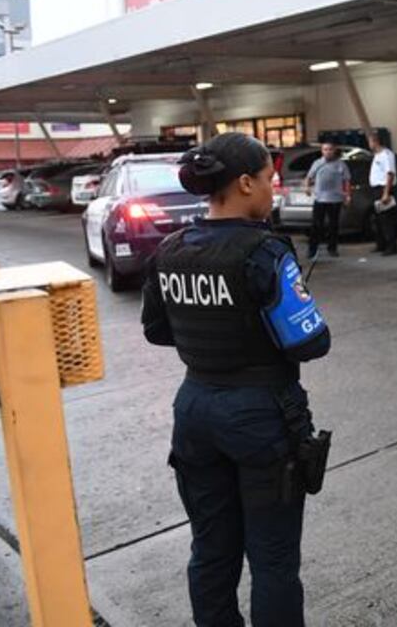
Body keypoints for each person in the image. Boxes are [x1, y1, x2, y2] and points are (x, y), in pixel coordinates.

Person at [142, 132, 332, 627]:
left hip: (195, 411)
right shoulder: (264, 253)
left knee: (211, 549)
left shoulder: (170, 250)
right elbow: (311, 342)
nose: (274, 190)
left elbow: (156, 331)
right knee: (272, 559)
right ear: (245, 183)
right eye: (270, 179)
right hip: (260, 416)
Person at [303, 144, 350, 259]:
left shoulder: (341, 164)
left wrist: (348, 195)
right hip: (320, 199)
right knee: (316, 225)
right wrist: (307, 187)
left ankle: (332, 248)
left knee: (333, 225)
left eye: (330, 149)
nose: (328, 152)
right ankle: (312, 249)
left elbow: (347, 180)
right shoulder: (317, 163)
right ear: (322, 151)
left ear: (334, 151)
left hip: (335, 199)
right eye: (325, 150)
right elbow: (308, 177)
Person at [368, 131, 397, 256]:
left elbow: (390, 173)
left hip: (384, 188)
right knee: (378, 219)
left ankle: (392, 246)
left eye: (370, 141)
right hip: (376, 189)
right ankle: (381, 244)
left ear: (375, 141)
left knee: (387, 219)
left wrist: (386, 192)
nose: (369, 144)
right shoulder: (377, 155)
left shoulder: (386, 155)